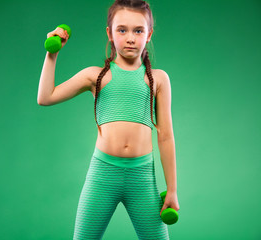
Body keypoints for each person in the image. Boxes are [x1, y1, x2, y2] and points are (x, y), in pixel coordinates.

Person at [38, 0, 179, 239]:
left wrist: (173, 190)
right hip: (102, 175)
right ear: (110, 34)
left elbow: (165, 137)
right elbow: (45, 97)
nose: (131, 38)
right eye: (122, 30)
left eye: (138, 30)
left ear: (149, 34)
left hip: (142, 177)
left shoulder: (159, 79)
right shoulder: (95, 76)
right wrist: (52, 53)